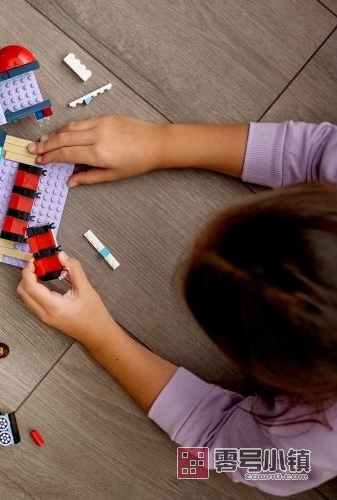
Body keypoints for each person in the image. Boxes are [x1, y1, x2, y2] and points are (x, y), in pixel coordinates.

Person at [17, 117, 336, 495]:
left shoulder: (308, 446)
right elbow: (319, 151)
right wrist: (160, 143)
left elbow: (219, 448)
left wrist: (99, 334)